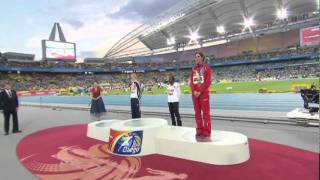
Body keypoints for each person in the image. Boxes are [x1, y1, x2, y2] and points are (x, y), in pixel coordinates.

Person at [190, 52, 212, 141]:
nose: (196, 58)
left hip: (204, 94)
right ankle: (199, 130)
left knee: (205, 114)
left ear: (202, 57)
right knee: (197, 113)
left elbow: (208, 82)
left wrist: (199, 91)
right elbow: (191, 82)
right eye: (195, 57)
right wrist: (194, 91)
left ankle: (207, 131)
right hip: (195, 95)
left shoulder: (207, 68)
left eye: (198, 56)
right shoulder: (193, 69)